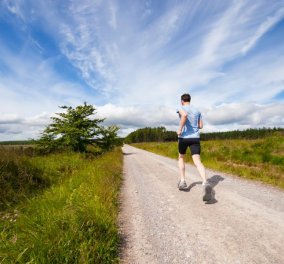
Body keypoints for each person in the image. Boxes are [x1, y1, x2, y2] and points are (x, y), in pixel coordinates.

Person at [176, 93, 211, 201]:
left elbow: (184, 115)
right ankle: (205, 182)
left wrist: (180, 129)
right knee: (197, 161)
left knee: (181, 157)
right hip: (195, 138)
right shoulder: (197, 110)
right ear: (189, 100)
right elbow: (201, 126)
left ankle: (182, 181)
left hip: (184, 138)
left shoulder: (180, 107)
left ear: (182, 101)